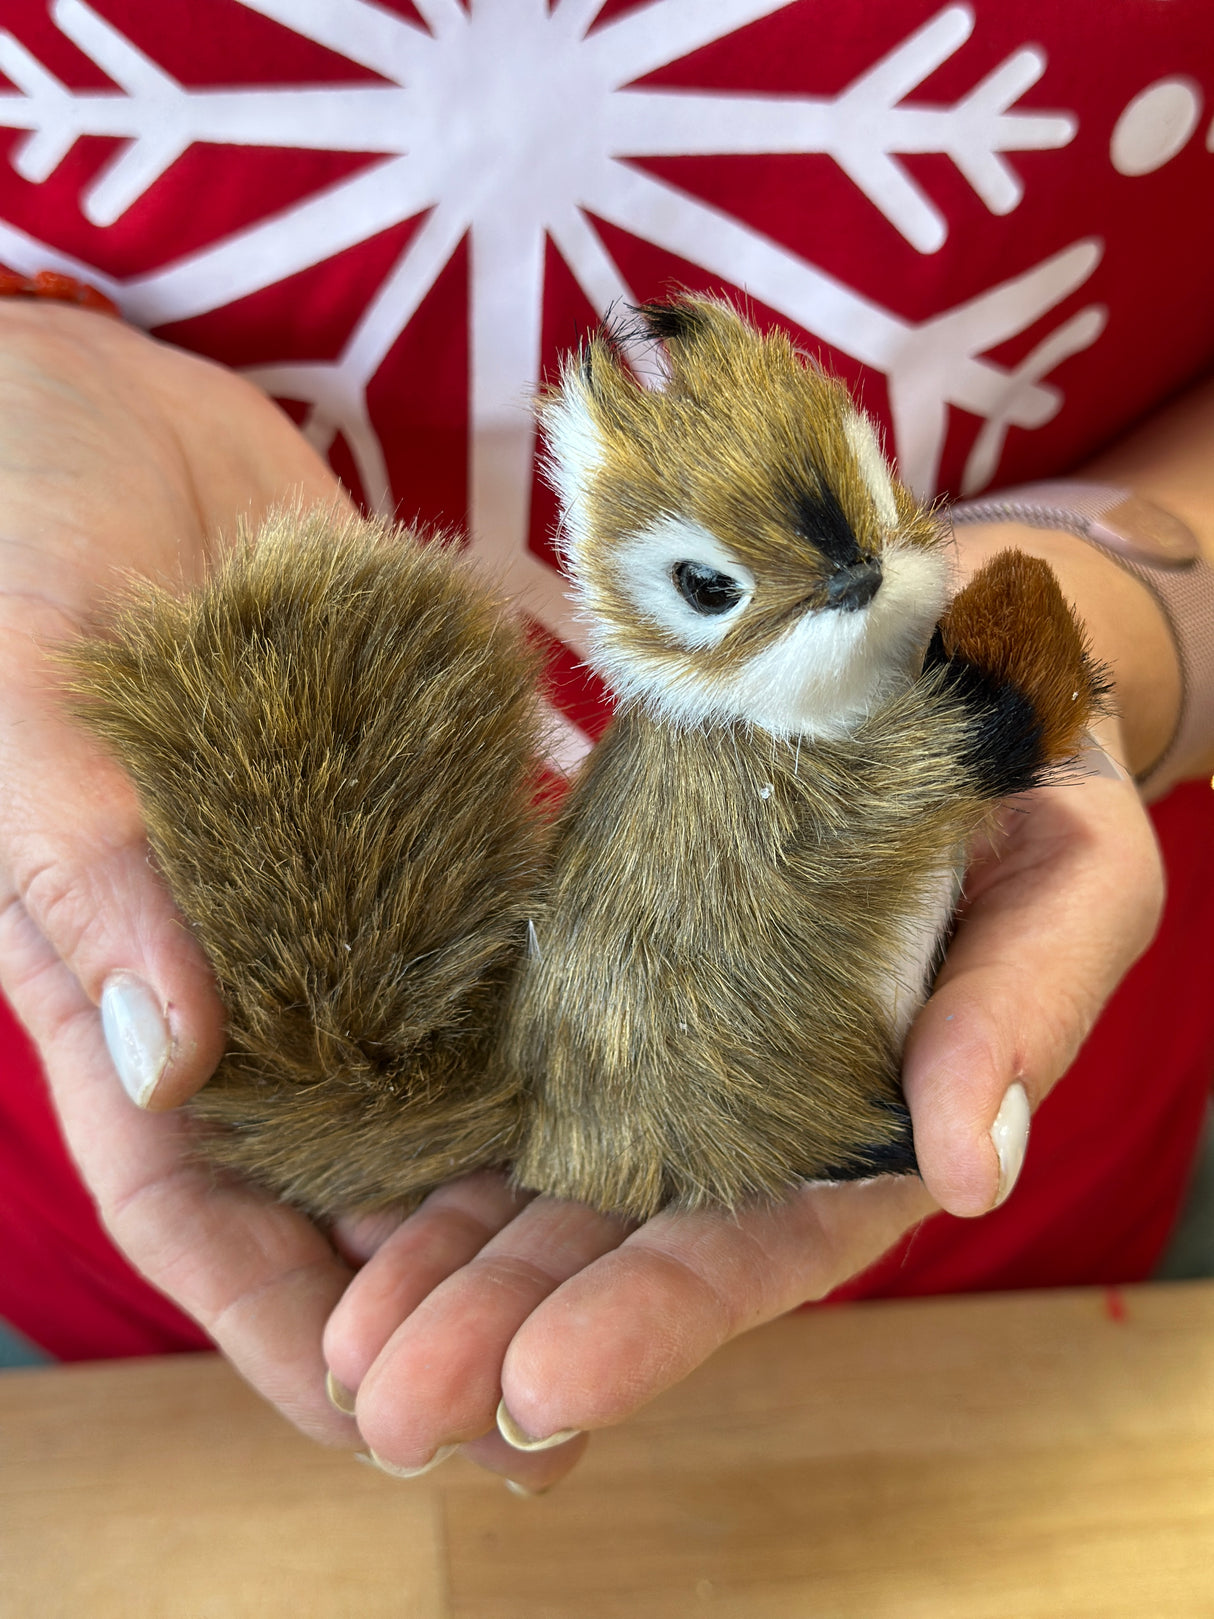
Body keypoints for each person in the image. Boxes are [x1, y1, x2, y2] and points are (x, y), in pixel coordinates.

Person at [1, 0, 1212, 1493]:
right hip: (118, 1305)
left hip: (1052, 1261)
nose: (854, 590)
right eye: (723, 594)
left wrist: (1139, 603)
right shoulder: (743, 749)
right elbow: (838, 834)